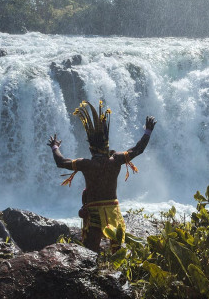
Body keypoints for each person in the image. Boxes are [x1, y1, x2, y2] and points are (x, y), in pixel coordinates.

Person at [47, 100, 156, 252]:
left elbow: (61, 162)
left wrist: (54, 147)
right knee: (117, 249)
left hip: (94, 211)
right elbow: (138, 149)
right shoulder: (116, 159)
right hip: (112, 209)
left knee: (91, 249)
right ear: (107, 145)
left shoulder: (86, 164)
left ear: (91, 148)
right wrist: (148, 132)